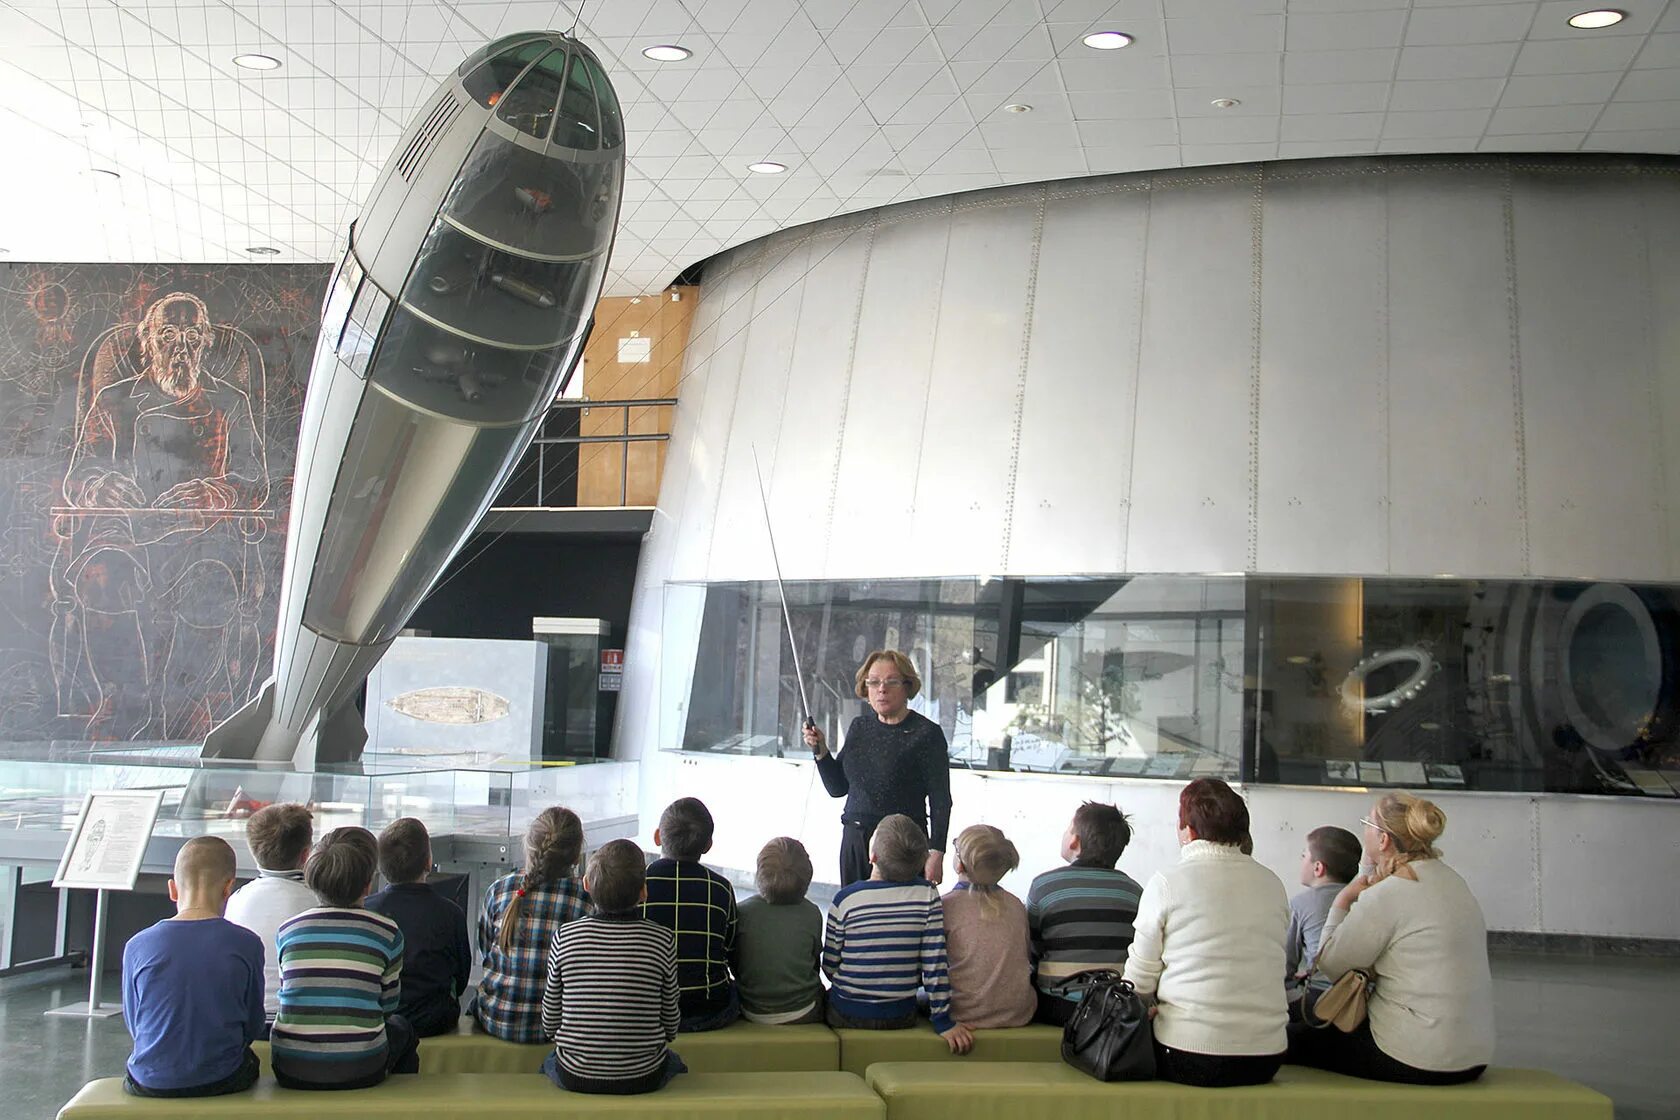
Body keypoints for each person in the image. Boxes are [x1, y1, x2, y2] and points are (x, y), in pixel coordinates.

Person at [1287, 793, 1494, 1085]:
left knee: (1290, 1036)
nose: (1364, 830)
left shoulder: (1390, 893)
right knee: (1313, 1014)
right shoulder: (1453, 881)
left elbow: (1330, 965)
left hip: (1416, 1056)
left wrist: (1343, 899)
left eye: (1366, 823)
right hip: (1473, 1054)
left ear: (1382, 840)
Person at [1123, 778, 1289, 1088]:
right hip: (1267, 1057)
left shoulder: (1167, 882)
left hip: (1188, 1055)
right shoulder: (1273, 884)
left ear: (1188, 830)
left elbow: (1139, 980)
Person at [270, 826, 419, 1090]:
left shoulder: (287, 931)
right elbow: (388, 1006)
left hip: (289, 1066)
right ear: (368, 884)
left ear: (311, 878)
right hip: (363, 1067)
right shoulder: (387, 932)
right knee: (402, 1028)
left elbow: (289, 994)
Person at [121, 836, 264, 1098]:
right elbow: (253, 1024)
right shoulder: (246, 943)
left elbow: (134, 1023)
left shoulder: (137, 946)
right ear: (228, 888)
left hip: (149, 1081)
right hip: (223, 1077)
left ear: (172, 889)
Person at [540, 839, 686, 1094]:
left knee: (547, 1064)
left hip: (575, 1074)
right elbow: (671, 1020)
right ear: (644, 891)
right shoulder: (662, 939)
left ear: (586, 884)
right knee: (677, 1064)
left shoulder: (566, 936)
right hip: (644, 1076)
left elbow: (550, 1019)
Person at [803, 649, 953, 887]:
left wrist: (937, 853)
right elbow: (838, 788)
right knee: (856, 915)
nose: (881, 689)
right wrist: (821, 750)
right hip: (855, 840)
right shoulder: (859, 727)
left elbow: (941, 800)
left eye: (891, 681)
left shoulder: (927, 733)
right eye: (873, 682)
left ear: (907, 686)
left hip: (902, 846)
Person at [823, 814, 968, 1053]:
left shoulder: (846, 899)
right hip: (901, 1013)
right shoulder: (927, 896)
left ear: (872, 856)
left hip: (846, 1011)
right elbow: (934, 964)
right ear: (922, 860)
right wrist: (943, 1021)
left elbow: (829, 966)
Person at [473, 806, 589, 1042]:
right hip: (558, 1029)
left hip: (496, 1019)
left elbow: (486, 949)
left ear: (528, 846)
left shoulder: (499, 890)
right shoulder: (586, 898)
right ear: (577, 857)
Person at [1026, 801, 1143, 1026]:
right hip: (1114, 1006)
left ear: (1075, 841)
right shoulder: (1135, 892)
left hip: (1057, 1005)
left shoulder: (1043, 886)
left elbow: (1032, 948)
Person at [366, 817, 472, 1037]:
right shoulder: (451, 913)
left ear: (380, 865)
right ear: (428, 862)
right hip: (434, 1021)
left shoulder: (365, 911)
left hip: (378, 1019)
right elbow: (461, 978)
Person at [641, 798, 740, 1031]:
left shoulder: (636, 885)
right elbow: (731, 947)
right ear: (708, 845)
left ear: (657, 837)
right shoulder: (720, 888)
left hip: (649, 1009)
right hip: (707, 1009)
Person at [225, 802, 314, 1025]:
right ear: (305, 855)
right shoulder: (317, 901)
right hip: (297, 1024)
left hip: (246, 1021)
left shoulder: (237, 900)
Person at [942, 824, 1035, 1029]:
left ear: (960, 865)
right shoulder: (1016, 905)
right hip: (1018, 1013)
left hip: (962, 1013)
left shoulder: (945, 906)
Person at [736, 837, 824, 1025]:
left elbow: (735, 964)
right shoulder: (812, 913)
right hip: (804, 1011)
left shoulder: (741, 911)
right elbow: (815, 963)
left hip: (751, 1009)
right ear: (807, 878)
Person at [1286, 825, 1360, 1010]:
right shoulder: (1364, 899)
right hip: (1359, 998)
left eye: (1304, 856)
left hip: (1320, 1001)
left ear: (1318, 868)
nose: (1301, 860)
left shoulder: (1301, 903)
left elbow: (1285, 964)